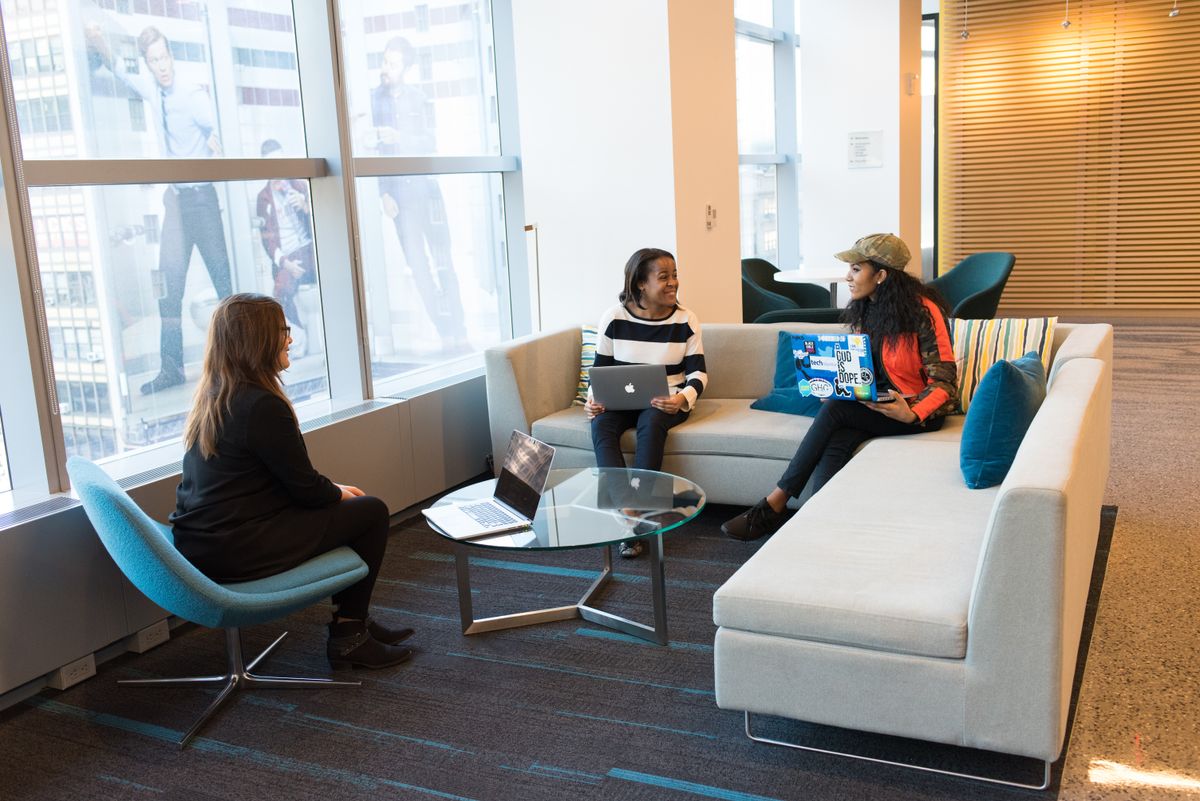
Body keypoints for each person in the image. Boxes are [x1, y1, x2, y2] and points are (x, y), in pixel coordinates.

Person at [169, 294, 413, 669]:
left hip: (205, 541)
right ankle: (349, 632)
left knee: (351, 505)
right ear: (259, 340)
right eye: (283, 330)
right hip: (236, 548)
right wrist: (338, 492)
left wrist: (332, 492)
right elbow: (305, 489)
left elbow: (267, 484)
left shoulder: (215, 397)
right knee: (371, 511)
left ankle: (354, 620)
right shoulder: (260, 405)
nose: (290, 339)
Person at [721, 233, 958, 542]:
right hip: (875, 403)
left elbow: (945, 382)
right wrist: (836, 384)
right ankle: (816, 525)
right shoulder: (866, 309)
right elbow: (865, 370)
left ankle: (775, 503)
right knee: (839, 434)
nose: (848, 276)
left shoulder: (923, 311)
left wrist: (912, 414)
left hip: (916, 411)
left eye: (856, 269)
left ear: (882, 275)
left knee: (836, 411)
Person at [85, 23, 233, 395]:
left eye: (165, 57)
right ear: (148, 63)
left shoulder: (190, 95)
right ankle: (171, 369)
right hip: (176, 201)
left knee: (224, 285)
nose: (162, 65)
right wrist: (101, 44)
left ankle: (239, 364)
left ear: (171, 56)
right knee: (169, 289)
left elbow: (222, 131)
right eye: (154, 60)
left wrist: (219, 146)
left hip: (202, 199)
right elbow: (122, 71)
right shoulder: (154, 90)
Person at [586, 248, 707, 558]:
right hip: (619, 400)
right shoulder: (613, 318)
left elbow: (699, 374)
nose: (673, 283)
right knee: (600, 424)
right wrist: (592, 400)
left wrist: (682, 398)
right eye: (663, 277)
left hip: (664, 401)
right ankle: (627, 511)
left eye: (675, 275)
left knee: (651, 422)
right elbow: (599, 371)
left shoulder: (685, 319)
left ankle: (634, 514)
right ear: (640, 283)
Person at [370, 36, 469, 354]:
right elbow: (374, 152)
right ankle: (445, 333)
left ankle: (459, 330)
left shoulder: (418, 98)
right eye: (385, 61)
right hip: (400, 194)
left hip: (427, 192)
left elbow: (430, 141)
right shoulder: (376, 101)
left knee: (444, 264)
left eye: (394, 62)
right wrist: (383, 191)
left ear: (406, 67)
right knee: (419, 267)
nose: (387, 68)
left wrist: (401, 137)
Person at [256, 139, 316, 353]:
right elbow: (267, 240)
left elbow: (323, 224)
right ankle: (298, 340)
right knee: (280, 295)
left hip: (311, 249)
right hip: (288, 256)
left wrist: (307, 206)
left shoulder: (300, 185)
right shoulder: (263, 198)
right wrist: (285, 263)